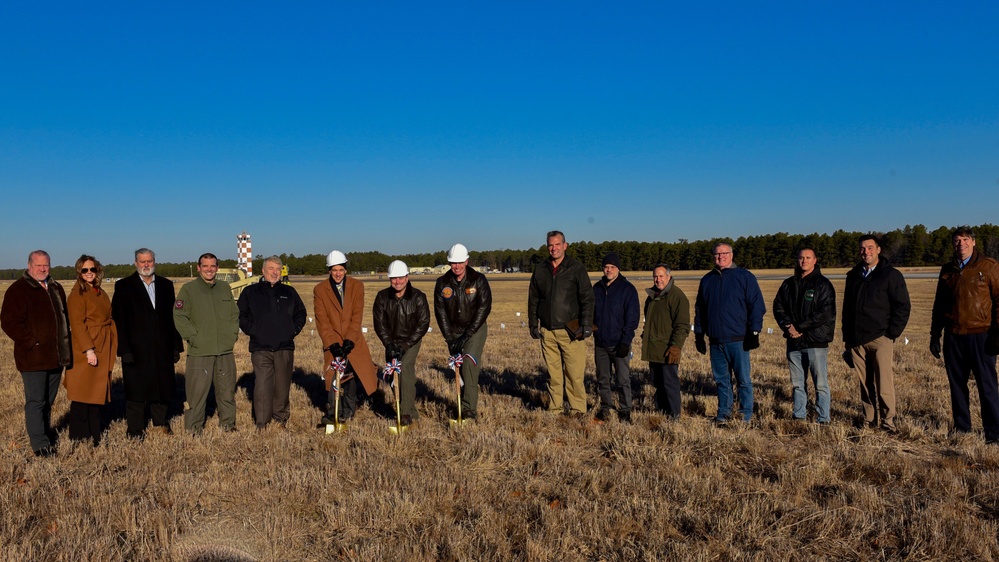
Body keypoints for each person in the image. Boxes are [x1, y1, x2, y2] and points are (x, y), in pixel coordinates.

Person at [930, 226, 999, 442]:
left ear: (974, 242)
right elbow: (939, 305)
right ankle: (962, 428)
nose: (961, 244)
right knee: (957, 386)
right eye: (957, 240)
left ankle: (994, 433)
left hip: (982, 336)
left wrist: (997, 334)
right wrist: (935, 335)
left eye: (965, 240)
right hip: (954, 336)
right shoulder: (948, 270)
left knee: (987, 386)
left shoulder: (988, 267)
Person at [1, 250, 70, 456]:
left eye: (46, 265)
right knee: (36, 402)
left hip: (56, 357)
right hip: (33, 358)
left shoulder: (56, 288)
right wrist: (32, 342)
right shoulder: (18, 289)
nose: (43, 269)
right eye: (38, 265)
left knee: (48, 402)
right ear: (29, 265)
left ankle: (45, 434)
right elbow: (9, 322)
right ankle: (40, 445)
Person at [112, 248, 184, 438]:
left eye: (149, 261)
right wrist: (124, 349)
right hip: (135, 349)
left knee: (161, 386)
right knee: (136, 390)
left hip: (162, 347)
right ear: (136, 263)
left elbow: (173, 318)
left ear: (154, 262)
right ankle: (135, 429)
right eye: (142, 261)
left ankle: (160, 423)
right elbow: (118, 320)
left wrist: (176, 346)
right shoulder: (124, 286)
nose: (146, 265)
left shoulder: (166, 285)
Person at [842, 234, 911, 433]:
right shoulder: (853, 275)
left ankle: (888, 421)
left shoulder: (891, 275)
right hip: (856, 340)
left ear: (878, 250)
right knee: (864, 384)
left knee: (884, 383)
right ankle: (869, 420)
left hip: (880, 338)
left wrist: (891, 334)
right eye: (863, 248)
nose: (866, 252)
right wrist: (847, 339)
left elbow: (903, 306)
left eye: (870, 248)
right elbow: (847, 310)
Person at [694, 242, 765, 424]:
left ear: (731, 255)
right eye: (717, 254)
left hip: (738, 340)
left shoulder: (745, 277)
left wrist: (754, 332)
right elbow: (700, 309)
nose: (721, 257)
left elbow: (757, 306)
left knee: (743, 380)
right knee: (722, 381)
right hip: (716, 340)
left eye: (724, 253)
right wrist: (699, 334)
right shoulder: (707, 280)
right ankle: (723, 414)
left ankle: (745, 415)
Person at [528, 230, 594, 416]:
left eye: (557, 244)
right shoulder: (541, 269)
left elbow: (587, 298)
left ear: (565, 246)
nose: (553, 248)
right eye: (550, 245)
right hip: (548, 332)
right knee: (554, 375)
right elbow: (533, 298)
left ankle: (577, 409)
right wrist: (534, 323)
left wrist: (586, 324)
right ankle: (555, 408)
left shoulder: (576, 268)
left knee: (574, 374)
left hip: (571, 331)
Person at [238, 255, 307, 429]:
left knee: (282, 385)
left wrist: (292, 330)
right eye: (271, 269)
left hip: (284, 346)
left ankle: (281, 418)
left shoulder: (289, 292)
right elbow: (241, 316)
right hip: (260, 347)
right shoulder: (250, 292)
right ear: (263, 270)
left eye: (278, 269)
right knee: (262, 385)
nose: (275, 272)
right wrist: (253, 331)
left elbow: (301, 313)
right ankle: (262, 421)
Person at [174, 252, 240, 433]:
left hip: (225, 351)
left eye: (213, 266)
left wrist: (232, 334)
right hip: (200, 352)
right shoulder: (188, 289)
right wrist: (194, 338)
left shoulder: (225, 288)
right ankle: (194, 428)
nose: (209, 269)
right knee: (197, 394)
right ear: (198, 268)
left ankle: (228, 424)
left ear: (217, 268)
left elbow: (234, 314)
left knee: (227, 391)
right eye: (205, 266)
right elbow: (179, 317)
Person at [313, 250, 378, 426]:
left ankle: (348, 411)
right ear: (329, 270)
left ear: (346, 270)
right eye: (334, 270)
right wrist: (333, 344)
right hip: (332, 341)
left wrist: (349, 340)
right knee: (333, 377)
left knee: (351, 377)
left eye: (341, 269)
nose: (338, 273)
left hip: (353, 340)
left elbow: (356, 317)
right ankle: (334, 411)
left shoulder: (358, 287)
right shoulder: (320, 290)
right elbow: (322, 320)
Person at [772, 248, 836, 424]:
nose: (804, 261)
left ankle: (823, 418)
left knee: (820, 384)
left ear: (815, 260)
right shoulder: (788, 284)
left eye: (808, 258)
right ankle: (799, 415)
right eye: (801, 258)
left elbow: (824, 313)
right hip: (794, 342)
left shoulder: (823, 285)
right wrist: (788, 327)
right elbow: (778, 307)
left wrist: (799, 327)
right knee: (798, 383)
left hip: (816, 341)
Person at [63, 255, 118, 445]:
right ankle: (78, 436)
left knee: (96, 394)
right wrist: (89, 350)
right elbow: (77, 324)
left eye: (92, 269)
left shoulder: (99, 291)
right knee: (82, 394)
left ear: (97, 271)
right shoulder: (77, 294)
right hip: (87, 349)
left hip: (103, 344)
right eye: (84, 270)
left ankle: (95, 434)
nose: (89, 273)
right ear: (79, 272)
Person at [433, 243, 492, 420]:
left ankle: (469, 409)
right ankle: (463, 401)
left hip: (475, 330)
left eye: (460, 262)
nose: (456, 266)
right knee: (458, 367)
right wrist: (450, 338)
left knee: (469, 365)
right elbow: (440, 312)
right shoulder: (442, 283)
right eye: (453, 263)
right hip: (454, 331)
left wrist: (467, 335)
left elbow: (484, 307)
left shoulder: (478, 280)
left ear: (467, 261)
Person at [373, 260, 430, 427]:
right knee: (392, 375)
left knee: (404, 370)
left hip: (411, 342)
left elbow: (423, 323)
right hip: (391, 341)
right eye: (393, 278)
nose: (397, 282)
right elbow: (379, 324)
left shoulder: (418, 297)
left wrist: (405, 345)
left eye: (400, 278)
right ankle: (411, 411)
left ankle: (404, 414)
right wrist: (389, 344)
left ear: (407, 277)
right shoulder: (382, 297)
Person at [592, 252, 640, 423]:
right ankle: (606, 407)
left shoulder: (627, 289)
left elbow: (632, 318)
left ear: (618, 269)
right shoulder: (597, 288)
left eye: (612, 267)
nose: (609, 270)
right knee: (603, 378)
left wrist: (626, 341)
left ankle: (625, 409)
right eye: (606, 267)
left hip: (620, 343)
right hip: (601, 343)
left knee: (623, 379)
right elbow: (591, 312)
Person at [641, 264, 690, 419]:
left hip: (667, 349)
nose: (658, 279)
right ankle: (662, 412)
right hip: (654, 348)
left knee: (670, 384)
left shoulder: (677, 296)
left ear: (669, 277)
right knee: (658, 382)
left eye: (661, 276)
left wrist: (675, 347)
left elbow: (682, 325)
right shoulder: (652, 297)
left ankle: (674, 415)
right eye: (655, 276)